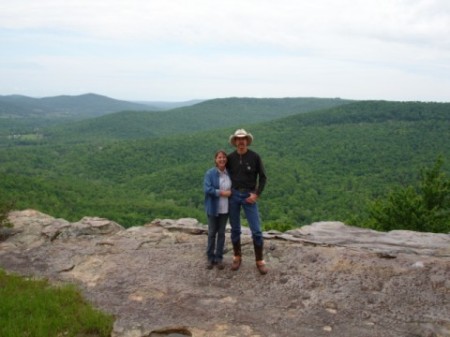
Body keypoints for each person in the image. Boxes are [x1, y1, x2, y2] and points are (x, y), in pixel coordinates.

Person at [227, 129, 268, 275]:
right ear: (235, 142)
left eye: (243, 138)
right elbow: (223, 175)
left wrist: (256, 194)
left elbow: (263, 177)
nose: (241, 141)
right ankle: (237, 257)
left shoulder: (255, 157)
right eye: (238, 139)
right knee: (235, 229)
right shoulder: (230, 158)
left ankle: (259, 260)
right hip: (234, 195)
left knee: (256, 230)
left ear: (247, 141)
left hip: (249, 196)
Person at [203, 150, 232, 270]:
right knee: (211, 233)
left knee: (221, 234)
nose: (222, 159)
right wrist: (222, 192)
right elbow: (207, 189)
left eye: (224, 157)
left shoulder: (229, 173)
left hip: (225, 208)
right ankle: (210, 257)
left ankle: (219, 258)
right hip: (213, 208)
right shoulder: (210, 173)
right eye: (219, 157)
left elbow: (234, 187)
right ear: (215, 160)